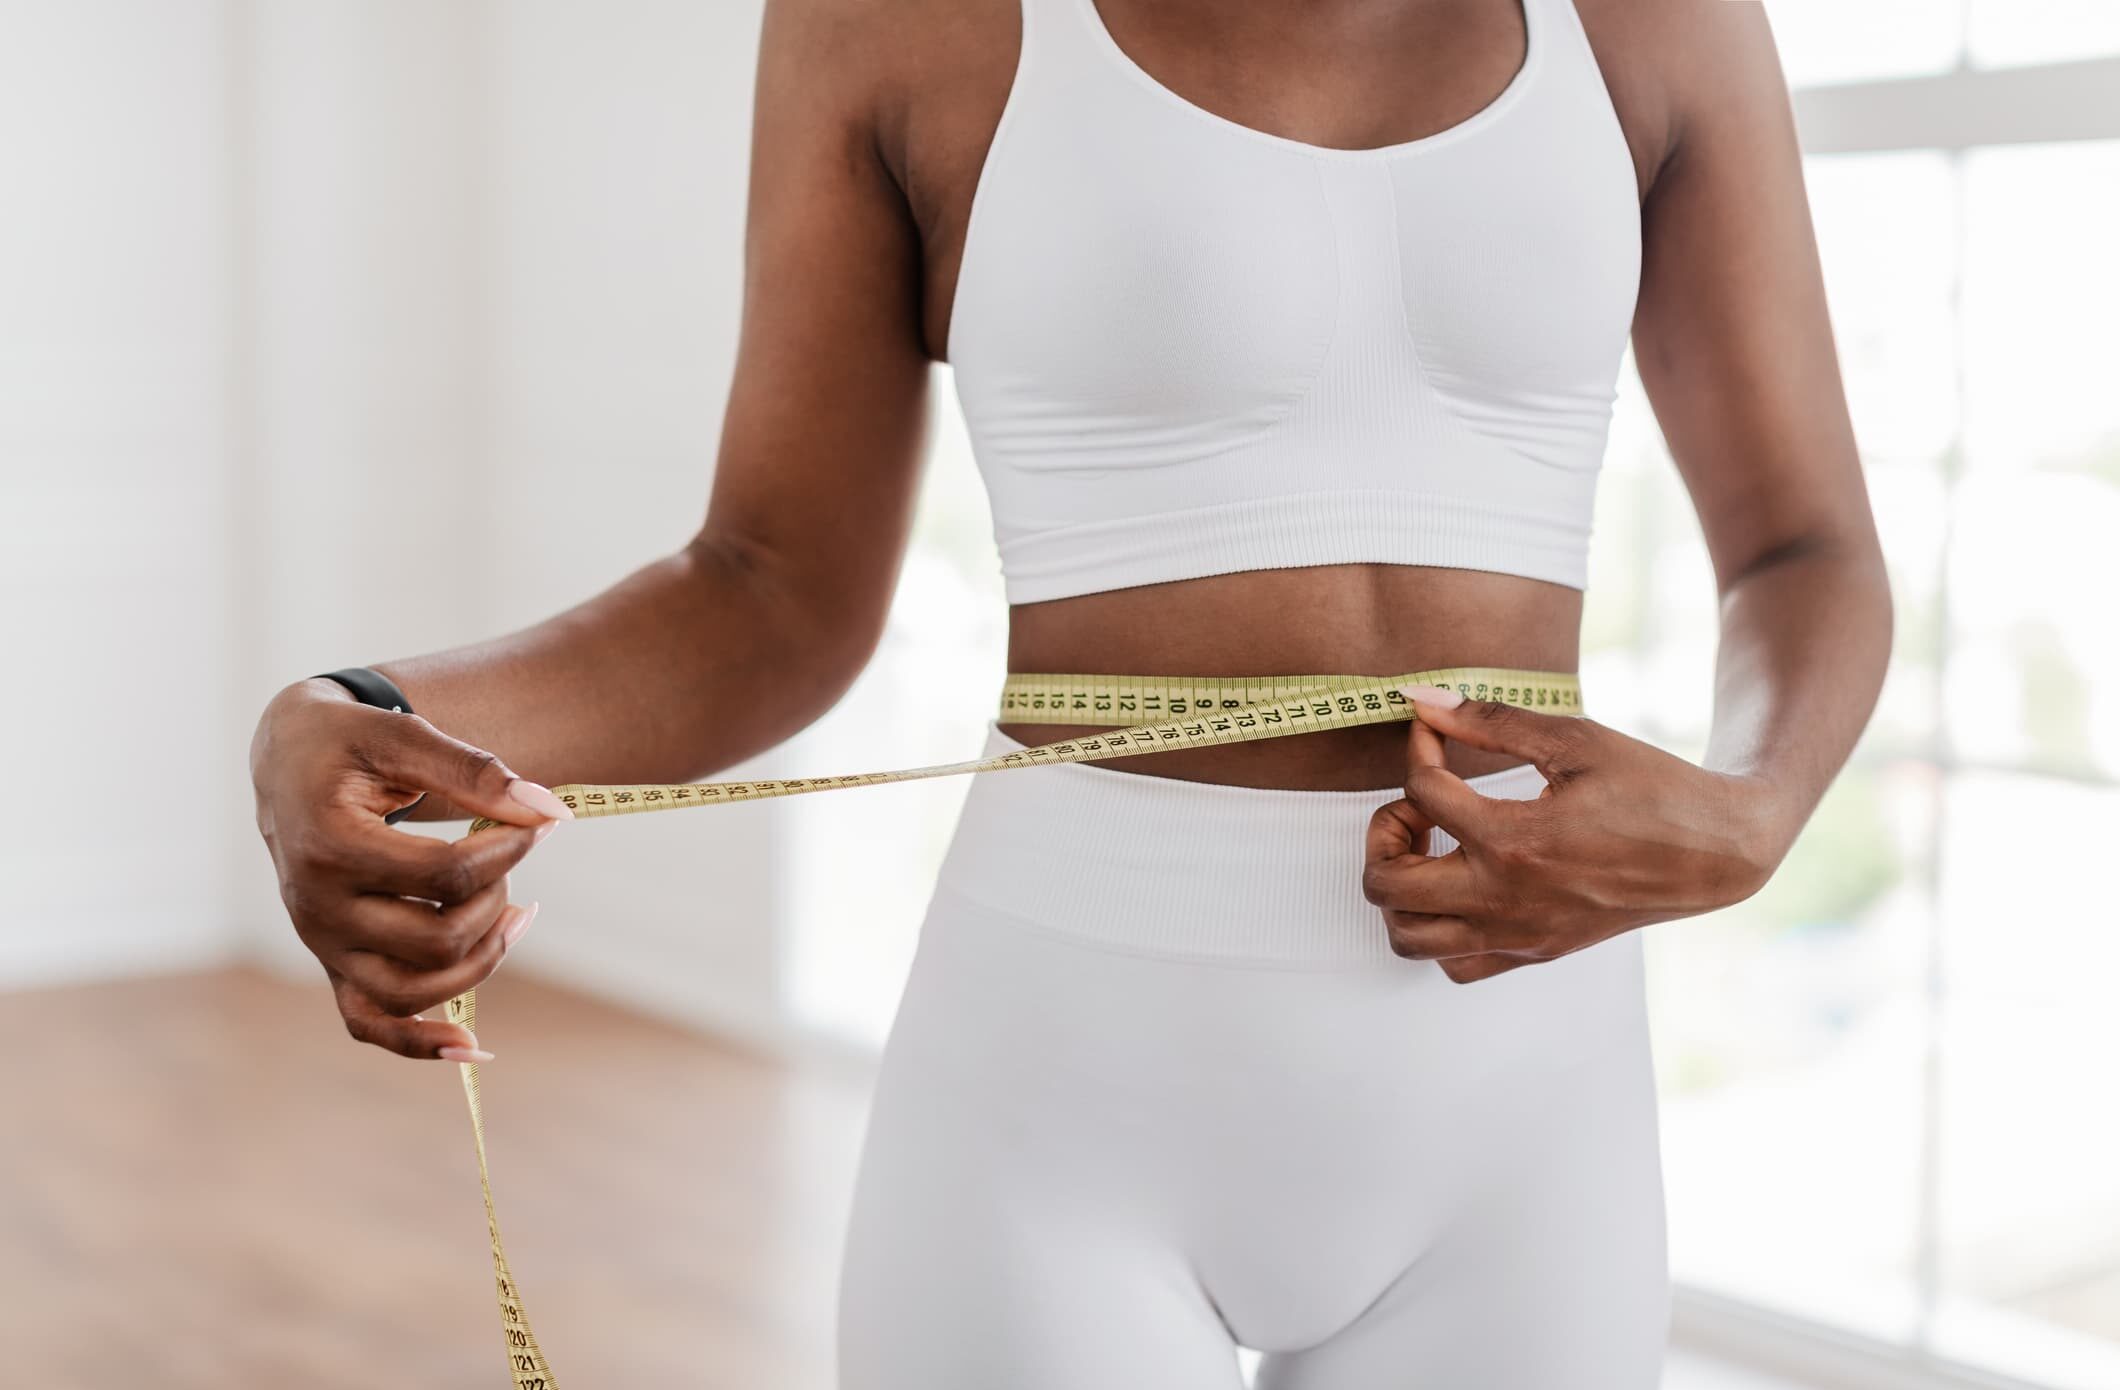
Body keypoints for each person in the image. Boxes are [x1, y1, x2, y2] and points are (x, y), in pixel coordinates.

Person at [249, 0, 1891, 1384]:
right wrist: (360, 708)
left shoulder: (1652, 24)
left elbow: (1806, 545)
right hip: (1067, 1093)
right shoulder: (904, 23)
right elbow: (768, 597)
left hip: (1529, 1090)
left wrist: (1753, 812)